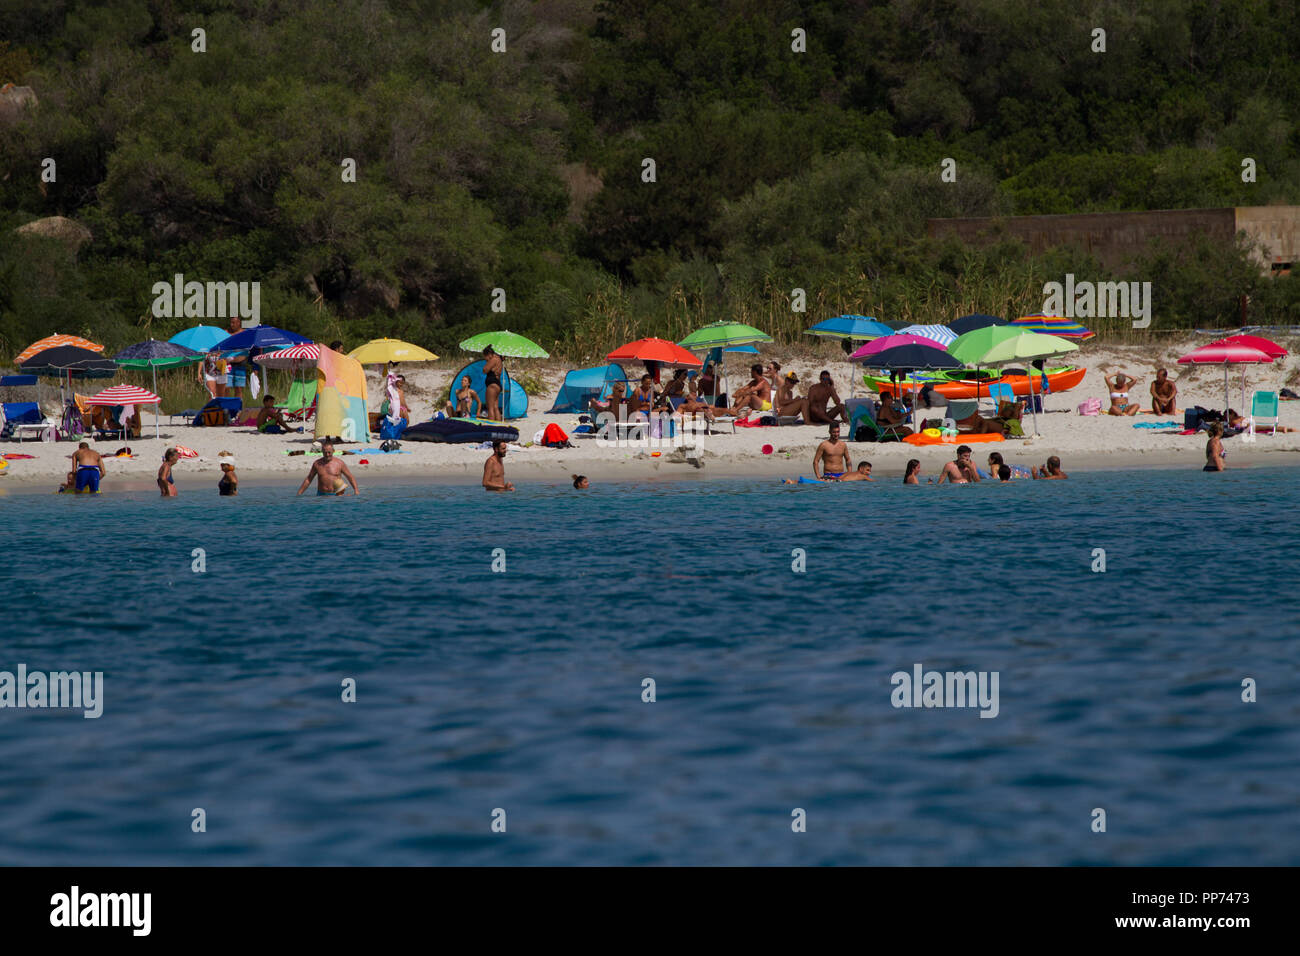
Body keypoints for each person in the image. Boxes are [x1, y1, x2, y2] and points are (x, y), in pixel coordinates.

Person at [482, 345, 504, 421]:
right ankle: (498, 425)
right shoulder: (499, 360)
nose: (485, 359)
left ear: (489, 354)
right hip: (497, 384)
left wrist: (488, 362)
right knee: (495, 407)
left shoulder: (494, 359)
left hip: (492, 385)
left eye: (485, 357)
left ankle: (491, 426)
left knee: (490, 407)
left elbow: (485, 370)